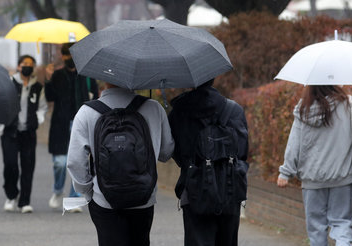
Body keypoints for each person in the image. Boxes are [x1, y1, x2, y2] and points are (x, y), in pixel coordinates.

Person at [67, 82, 174, 246]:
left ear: (102, 78)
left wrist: (89, 192)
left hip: (104, 200)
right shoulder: (153, 107)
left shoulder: (87, 112)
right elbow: (166, 153)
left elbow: (75, 162)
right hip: (143, 198)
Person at [277, 85, 352, 246]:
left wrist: (285, 173)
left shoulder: (303, 108)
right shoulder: (350, 104)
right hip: (343, 179)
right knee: (342, 224)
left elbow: (294, 144)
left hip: (312, 181)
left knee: (316, 229)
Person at [168, 79, 249, 246]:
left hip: (195, 190)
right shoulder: (234, 110)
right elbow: (242, 152)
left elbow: (175, 151)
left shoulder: (180, 111)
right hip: (230, 190)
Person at [44, 42, 99, 210]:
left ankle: (75, 197)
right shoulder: (57, 75)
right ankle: (58, 190)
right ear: (62, 56)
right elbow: (50, 97)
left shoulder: (86, 76)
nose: (69, 59)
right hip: (60, 123)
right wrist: (48, 79)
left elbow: (95, 96)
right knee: (60, 162)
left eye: (72, 55)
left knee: (79, 161)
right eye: (67, 55)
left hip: (80, 123)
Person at [0, 55, 47, 213]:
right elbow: (2, 106)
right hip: (10, 132)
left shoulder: (38, 87)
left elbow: (42, 106)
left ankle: (25, 201)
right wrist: (1, 128)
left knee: (28, 166)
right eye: (24, 64)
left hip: (28, 133)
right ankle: (11, 195)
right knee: (10, 165)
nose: (27, 66)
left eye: (31, 64)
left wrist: (37, 120)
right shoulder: (9, 84)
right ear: (18, 66)